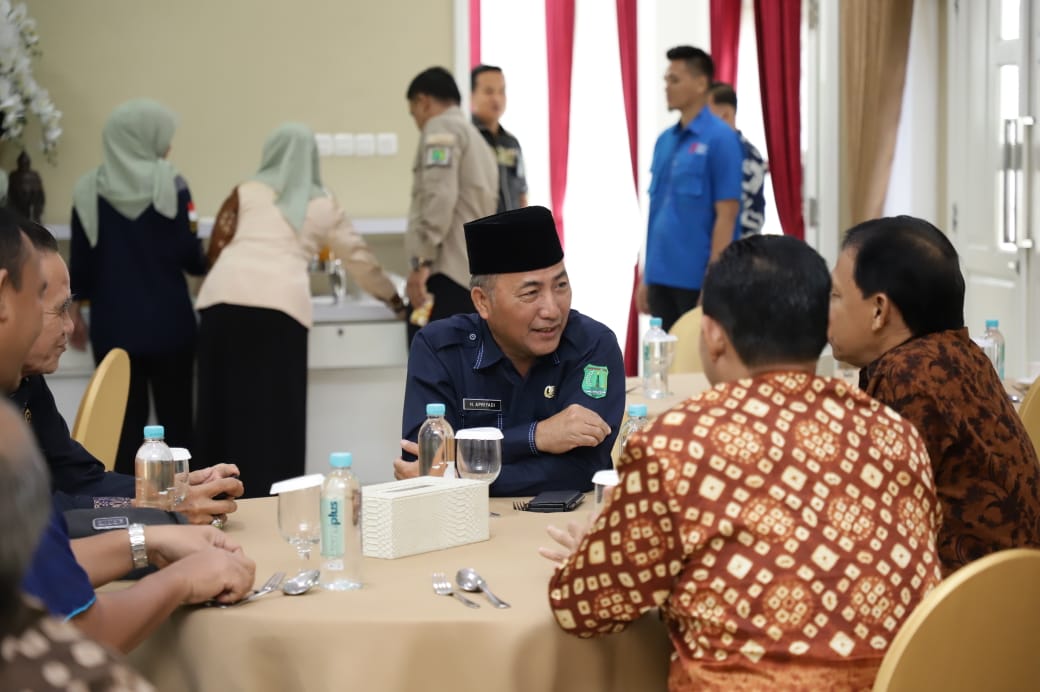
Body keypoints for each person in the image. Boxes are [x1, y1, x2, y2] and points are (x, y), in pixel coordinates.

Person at [543, 235, 943, 691]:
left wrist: (599, 550)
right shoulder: (896, 433)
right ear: (824, 326)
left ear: (713, 335)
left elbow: (584, 607)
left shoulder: (675, 444)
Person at [195, 123, 405, 499]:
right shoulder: (321, 202)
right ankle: (274, 505)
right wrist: (393, 298)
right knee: (275, 420)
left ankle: (211, 504)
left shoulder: (246, 191)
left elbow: (217, 245)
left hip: (220, 306)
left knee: (222, 414)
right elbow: (359, 259)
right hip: (277, 314)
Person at [827, 215, 1040, 573]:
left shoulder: (907, 376)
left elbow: (874, 520)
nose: (826, 309)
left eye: (835, 295)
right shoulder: (962, 353)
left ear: (878, 310)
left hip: (961, 607)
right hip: (1016, 596)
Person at [14, 221, 243, 523]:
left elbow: (80, 478)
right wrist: (155, 510)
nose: (70, 327)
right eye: (59, 310)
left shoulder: (26, 379)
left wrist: (173, 489)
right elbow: (45, 515)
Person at [394, 206, 624, 496]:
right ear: (482, 302)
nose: (552, 310)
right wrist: (537, 437)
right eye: (531, 293)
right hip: (464, 527)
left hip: (562, 528)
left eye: (561, 285)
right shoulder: (439, 348)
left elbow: (582, 469)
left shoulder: (592, 346)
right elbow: (425, 459)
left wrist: (460, 474)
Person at [69, 98, 208, 475]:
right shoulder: (172, 183)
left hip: (114, 331)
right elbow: (191, 257)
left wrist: (73, 315)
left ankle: (128, 517)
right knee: (178, 430)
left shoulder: (87, 190)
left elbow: (79, 268)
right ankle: (187, 512)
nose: (169, 145)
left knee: (122, 433)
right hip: (172, 328)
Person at [0, 398, 154, 691]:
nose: (66, 347)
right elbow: (85, 627)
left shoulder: (29, 385)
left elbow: (79, 478)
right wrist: (180, 579)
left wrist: (156, 499)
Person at [637, 46, 743, 332]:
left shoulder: (721, 139)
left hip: (697, 281)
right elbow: (655, 210)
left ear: (700, 83)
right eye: (666, 80)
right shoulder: (664, 142)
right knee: (664, 367)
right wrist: (646, 275)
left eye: (675, 80)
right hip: (660, 276)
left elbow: (727, 215)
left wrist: (714, 280)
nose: (667, 87)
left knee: (697, 367)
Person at [404, 66, 498, 343]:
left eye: (414, 113)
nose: (417, 122)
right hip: (471, 276)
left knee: (434, 375)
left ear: (423, 101)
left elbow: (439, 196)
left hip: (444, 276)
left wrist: (421, 263)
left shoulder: (440, 128)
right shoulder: (477, 139)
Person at [707, 82, 766, 237]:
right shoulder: (712, 150)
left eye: (705, 113)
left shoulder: (746, 155)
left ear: (725, 114)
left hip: (739, 250)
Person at [471, 64, 528, 213]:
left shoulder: (511, 143)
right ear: (471, 95)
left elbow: (522, 191)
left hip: (513, 231)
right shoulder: (468, 139)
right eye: (489, 91)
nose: (496, 98)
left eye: (502, 91)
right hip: (479, 231)